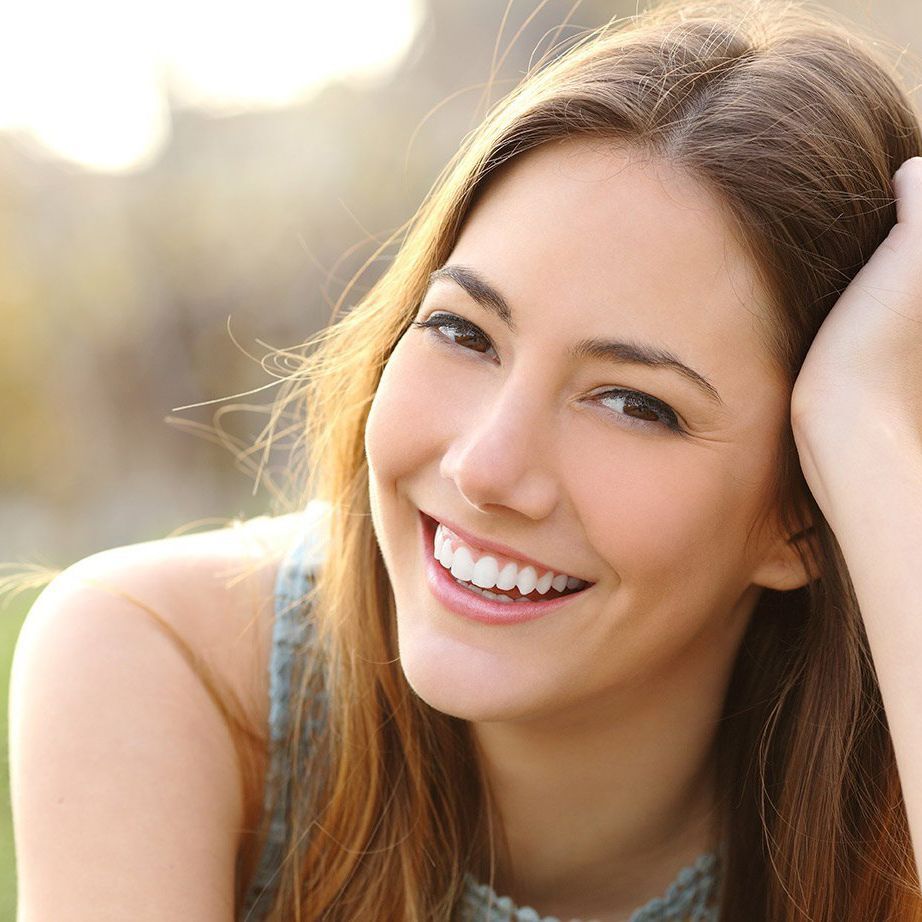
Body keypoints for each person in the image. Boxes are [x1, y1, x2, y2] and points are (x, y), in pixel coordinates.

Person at [9, 0, 922, 919]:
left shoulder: (888, 800)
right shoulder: (171, 667)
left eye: (635, 403)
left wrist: (871, 435)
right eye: (462, 330)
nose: (487, 468)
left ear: (808, 510)